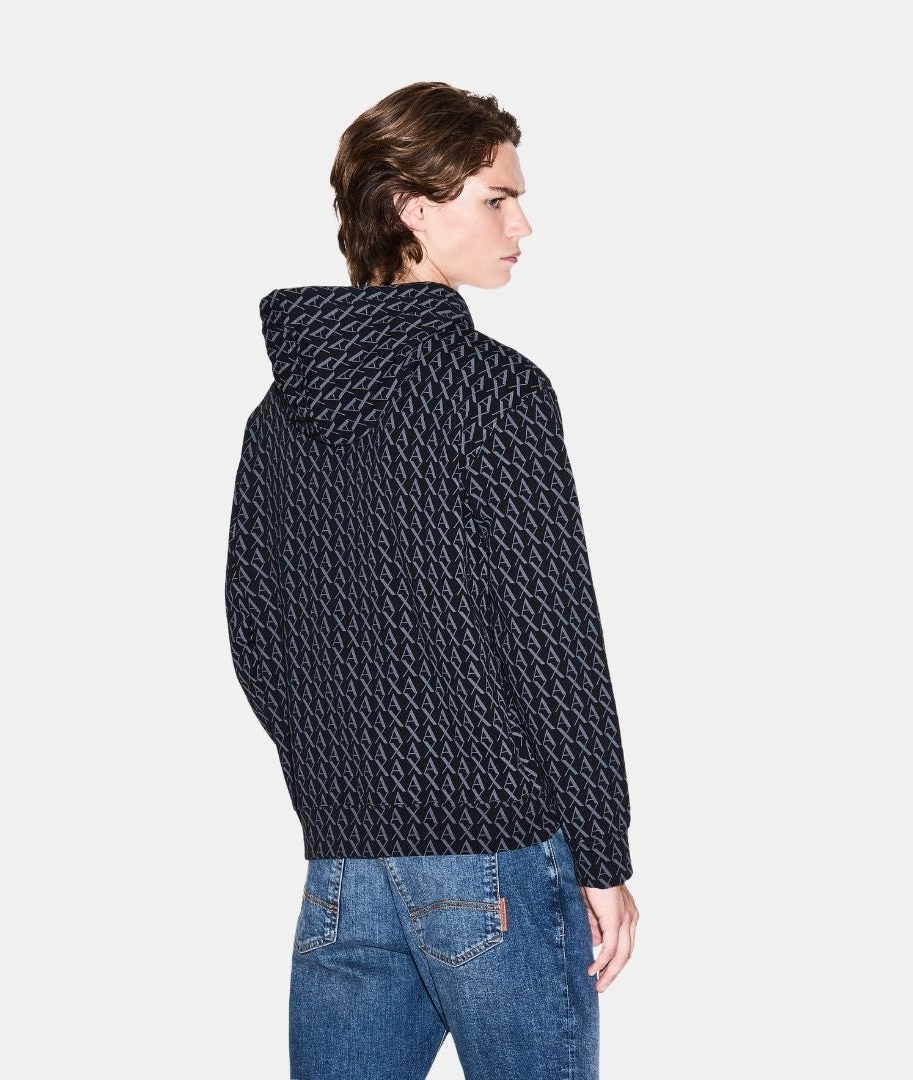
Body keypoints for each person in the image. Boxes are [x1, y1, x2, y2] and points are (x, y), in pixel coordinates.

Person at [225, 80, 639, 1080]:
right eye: (497, 199)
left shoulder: (277, 418)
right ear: (412, 209)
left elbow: (256, 633)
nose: (522, 224)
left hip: (344, 862)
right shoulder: (496, 392)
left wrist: (345, 780)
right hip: (495, 850)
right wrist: (603, 853)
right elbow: (552, 636)